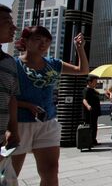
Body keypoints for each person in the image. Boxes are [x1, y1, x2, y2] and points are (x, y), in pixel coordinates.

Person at [12, 26, 89, 185]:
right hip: (18, 123)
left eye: (47, 41)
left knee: (51, 170)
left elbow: (82, 70)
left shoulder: (53, 64)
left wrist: (79, 49)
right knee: (10, 173)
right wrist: (26, 105)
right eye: (37, 39)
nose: (43, 44)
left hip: (47, 122)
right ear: (25, 41)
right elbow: (4, 95)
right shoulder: (13, 64)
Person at [0, 4, 21, 173]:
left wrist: (12, 129)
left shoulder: (9, 62)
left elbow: (12, 97)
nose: (14, 27)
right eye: (7, 22)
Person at [82, 75, 101, 145]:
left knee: (94, 126)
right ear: (89, 82)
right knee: (90, 127)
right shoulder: (86, 90)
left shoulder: (93, 90)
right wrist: (88, 106)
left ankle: (93, 140)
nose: (96, 83)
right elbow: (84, 100)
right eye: (95, 82)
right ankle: (89, 141)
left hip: (94, 112)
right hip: (89, 112)